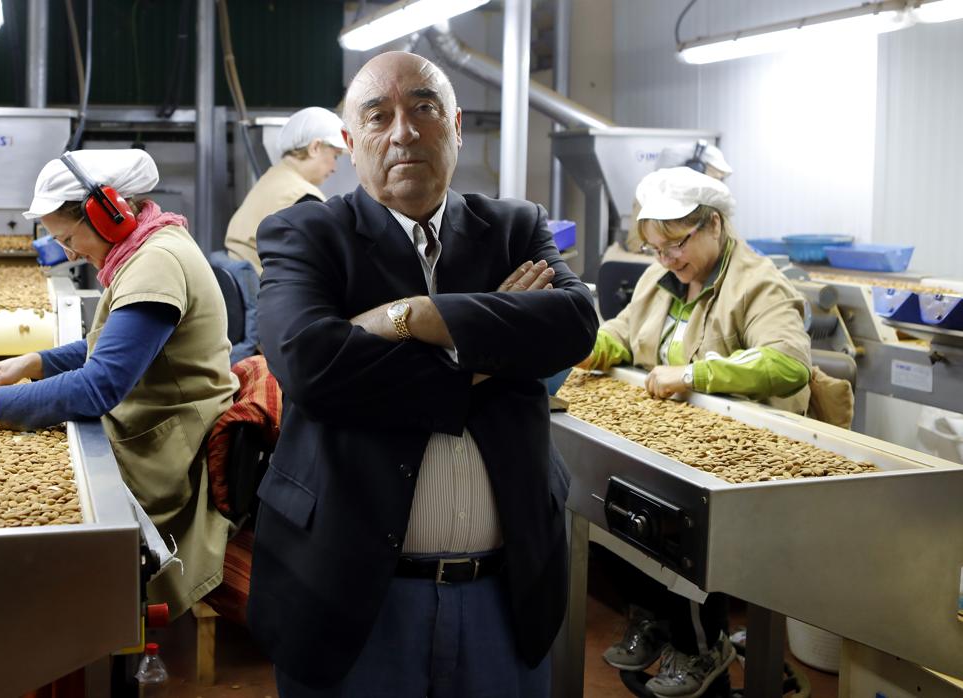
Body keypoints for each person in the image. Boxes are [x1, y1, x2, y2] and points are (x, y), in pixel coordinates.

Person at [249, 51, 598, 696]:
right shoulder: (306, 234)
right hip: (349, 591)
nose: (404, 131)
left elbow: (576, 323)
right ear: (351, 145)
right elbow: (308, 363)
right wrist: (494, 346)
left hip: (506, 589)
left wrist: (415, 316)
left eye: (424, 108)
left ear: (457, 125)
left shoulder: (515, 227)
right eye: (378, 117)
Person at [0, 149, 238, 619]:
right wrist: (33, 362)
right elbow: (112, 345)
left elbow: (99, 387)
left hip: (171, 456)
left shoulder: (156, 262)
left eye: (69, 238)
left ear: (109, 212)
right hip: (156, 429)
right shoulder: (147, 246)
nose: (70, 253)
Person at [581, 166, 814, 698]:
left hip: (745, 450)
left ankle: (702, 645)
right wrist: (598, 346)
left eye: (675, 246)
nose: (666, 260)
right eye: (655, 249)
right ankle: (654, 619)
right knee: (612, 504)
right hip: (665, 435)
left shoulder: (757, 283)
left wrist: (694, 375)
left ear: (713, 225)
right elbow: (624, 327)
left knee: (676, 526)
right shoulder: (661, 276)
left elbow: (788, 364)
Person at [225, 106, 347, 274]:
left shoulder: (273, 177)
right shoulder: (302, 197)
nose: (334, 167)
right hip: (268, 291)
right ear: (315, 147)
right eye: (335, 156)